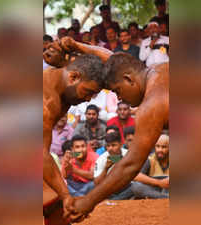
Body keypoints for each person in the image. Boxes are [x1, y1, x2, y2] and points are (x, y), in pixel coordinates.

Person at [55, 38, 168, 222]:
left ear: (128, 79)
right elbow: (113, 59)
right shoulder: (158, 69)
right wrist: (78, 46)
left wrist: (88, 202)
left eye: (117, 90)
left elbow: (130, 165)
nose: (120, 98)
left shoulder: (152, 105)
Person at [43, 44, 108, 221]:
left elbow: (115, 61)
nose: (87, 99)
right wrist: (66, 195)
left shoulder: (64, 82)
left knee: (55, 203)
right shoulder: (46, 104)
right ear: (73, 77)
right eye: (87, 92)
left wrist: (74, 44)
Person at [93, 132, 134, 200]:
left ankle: (116, 200)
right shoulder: (101, 159)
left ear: (121, 144)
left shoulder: (128, 154)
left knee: (135, 187)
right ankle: (118, 199)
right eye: (108, 146)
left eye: (113, 145)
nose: (110, 148)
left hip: (127, 186)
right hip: (110, 189)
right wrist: (106, 168)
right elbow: (97, 183)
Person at [131, 134, 169, 199]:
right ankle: (165, 197)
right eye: (157, 146)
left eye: (164, 147)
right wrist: (159, 183)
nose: (160, 150)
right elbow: (136, 176)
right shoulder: (150, 159)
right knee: (136, 186)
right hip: (154, 188)